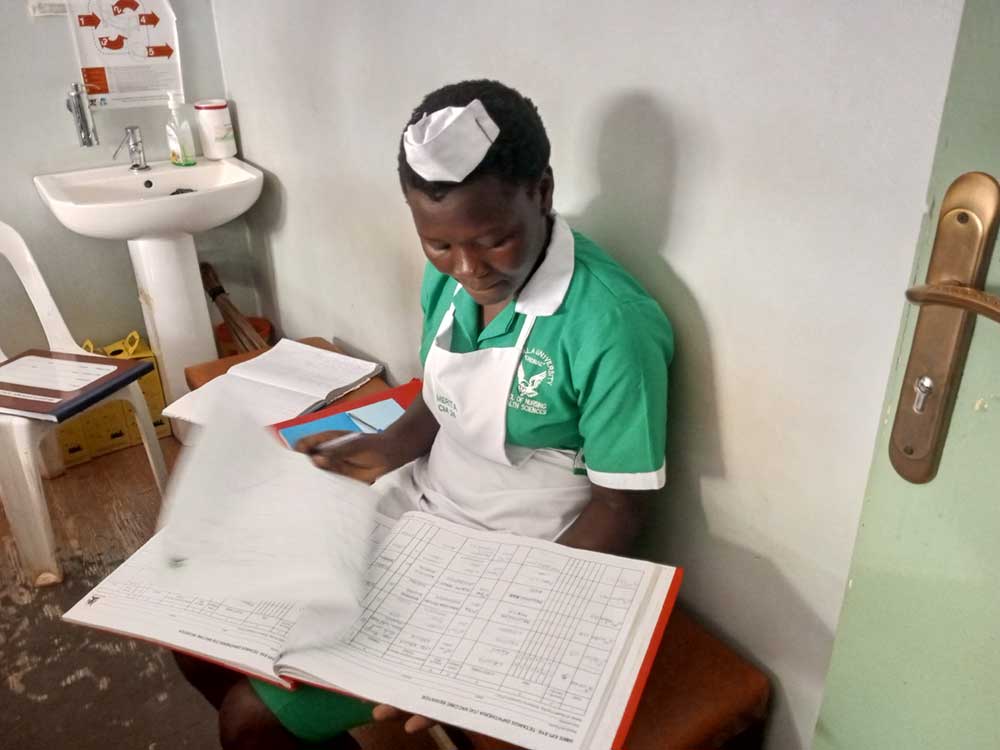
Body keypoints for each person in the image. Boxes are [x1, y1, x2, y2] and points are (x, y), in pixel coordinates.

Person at [174, 79, 674, 750]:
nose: (469, 269)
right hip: (421, 512)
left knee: (249, 720)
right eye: (440, 245)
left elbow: (622, 509)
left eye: (494, 240)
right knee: (197, 635)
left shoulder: (612, 324)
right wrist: (379, 449)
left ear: (543, 192)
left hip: (519, 555)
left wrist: (492, 628)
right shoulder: (449, 276)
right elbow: (442, 398)